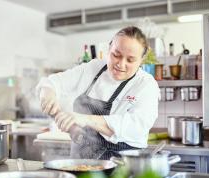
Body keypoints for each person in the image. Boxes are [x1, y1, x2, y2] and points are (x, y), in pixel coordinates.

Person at [36, 26, 160, 160]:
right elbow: (51, 83)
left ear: (141, 60)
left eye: (130, 60)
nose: (121, 64)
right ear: (109, 49)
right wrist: (48, 94)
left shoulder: (146, 85)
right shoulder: (94, 68)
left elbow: (136, 126)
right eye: (116, 55)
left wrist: (85, 119)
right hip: (80, 164)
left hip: (122, 169)